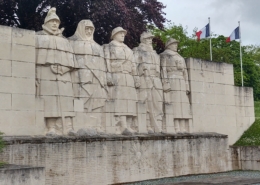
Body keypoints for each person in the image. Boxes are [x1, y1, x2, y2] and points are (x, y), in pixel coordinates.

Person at [35, 7, 77, 136]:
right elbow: (35, 59)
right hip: (46, 72)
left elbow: (72, 61)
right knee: (49, 100)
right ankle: (51, 127)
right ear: (46, 22)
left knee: (67, 99)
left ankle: (68, 126)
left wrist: (64, 68)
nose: (54, 24)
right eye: (52, 21)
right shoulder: (38, 37)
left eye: (56, 22)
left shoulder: (64, 41)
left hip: (64, 74)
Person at [69, 20, 107, 133]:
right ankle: (79, 124)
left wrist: (103, 79)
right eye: (87, 28)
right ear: (81, 29)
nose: (89, 31)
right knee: (80, 100)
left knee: (97, 102)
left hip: (97, 79)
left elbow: (102, 65)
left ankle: (97, 125)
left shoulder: (98, 47)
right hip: (80, 78)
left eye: (91, 29)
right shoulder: (71, 42)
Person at [103, 27, 140, 135]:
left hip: (129, 77)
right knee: (120, 100)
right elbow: (107, 62)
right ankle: (122, 125)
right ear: (114, 35)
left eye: (123, 33)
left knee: (131, 101)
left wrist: (136, 77)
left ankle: (128, 125)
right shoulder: (109, 47)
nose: (123, 35)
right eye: (120, 33)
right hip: (117, 75)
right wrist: (108, 75)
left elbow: (133, 65)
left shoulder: (128, 49)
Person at [133, 32, 163, 133]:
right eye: (148, 39)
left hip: (155, 80)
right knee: (145, 102)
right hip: (144, 79)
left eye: (151, 39)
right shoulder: (138, 51)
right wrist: (142, 69)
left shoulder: (155, 53)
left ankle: (157, 125)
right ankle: (147, 125)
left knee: (158, 103)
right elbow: (134, 66)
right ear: (143, 40)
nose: (150, 40)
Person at [160, 38, 192, 133]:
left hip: (181, 80)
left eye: (176, 44)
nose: (176, 46)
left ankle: (183, 126)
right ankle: (176, 127)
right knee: (175, 104)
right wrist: (165, 82)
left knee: (183, 105)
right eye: (174, 44)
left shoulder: (180, 57)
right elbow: (163, 70)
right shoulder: (164, 55)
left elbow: (185, 72)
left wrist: (187, 85)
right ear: (169, 45)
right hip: (172, 79)